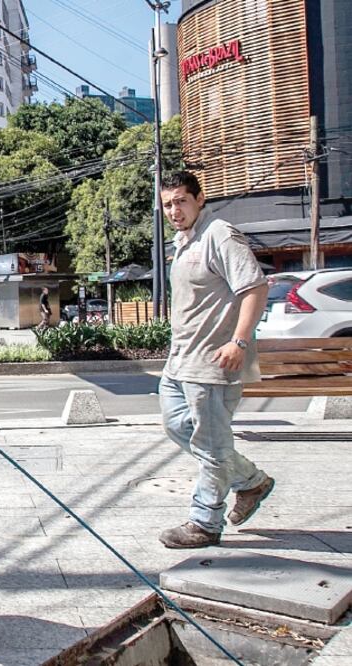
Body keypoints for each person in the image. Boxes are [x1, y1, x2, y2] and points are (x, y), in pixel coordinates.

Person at [157, 171, 275, 549]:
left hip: (213, 362)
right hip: (180, 362)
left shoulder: (220, 234)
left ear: (199, 198)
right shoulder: (184, 239)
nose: (174, 210)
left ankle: (204, 522)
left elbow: (255, 288)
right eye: (168, 204)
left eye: (181, 201)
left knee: (210, 445)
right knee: (178, 426)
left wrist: (239, 342)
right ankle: (251, 481)